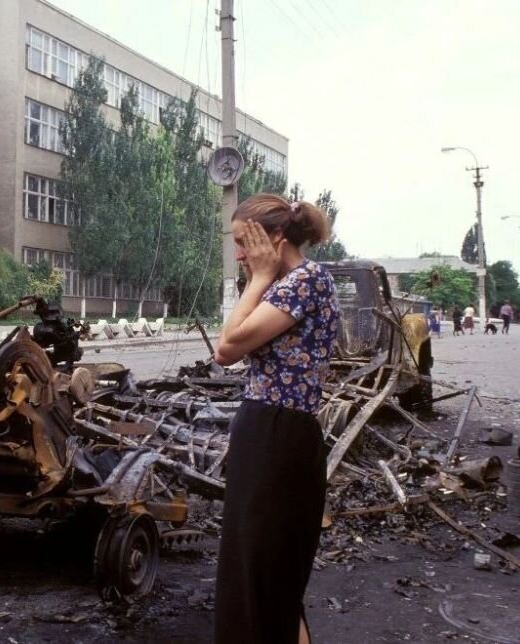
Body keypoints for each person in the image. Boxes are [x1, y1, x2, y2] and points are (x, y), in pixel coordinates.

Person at [212, 194, 339, 644]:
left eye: (244, 242)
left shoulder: (304, 281)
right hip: (269, 432)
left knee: (267, 576)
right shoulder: (290, 284)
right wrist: (261, 278)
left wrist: (260, 277)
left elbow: (226, 349)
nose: (240, 254)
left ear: (275, 238)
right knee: (263, 576)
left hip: (279, 436)